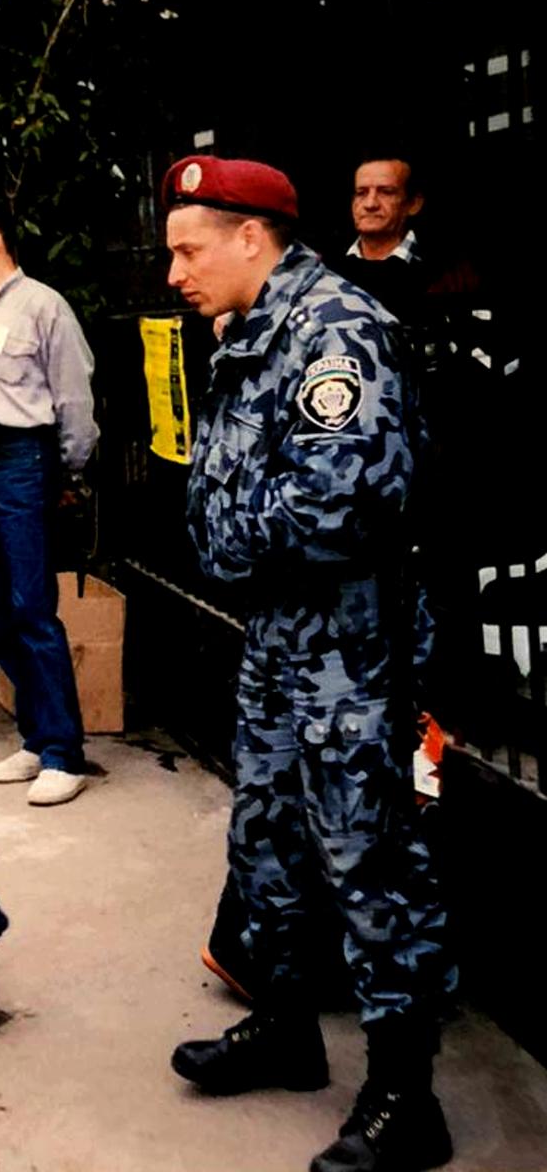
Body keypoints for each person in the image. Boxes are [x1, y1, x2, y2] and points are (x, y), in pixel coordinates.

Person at [162, 155, 456, 1172]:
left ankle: (404, 1096)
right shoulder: (250, 335)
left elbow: (341, 505)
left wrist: (225, 544)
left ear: (253, 237)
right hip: (284, 639)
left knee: (370, 861)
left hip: (350, 649)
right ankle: (286, 1029)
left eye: (188, 250)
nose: (174, 272)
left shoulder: (336, 333)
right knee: (271, 843)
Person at [0, 194, 98, 806]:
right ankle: (36, 739)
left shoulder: (44, 306)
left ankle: (65, 752)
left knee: (33, 605)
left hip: (23, 459)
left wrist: (69, 471)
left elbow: (75, 400)